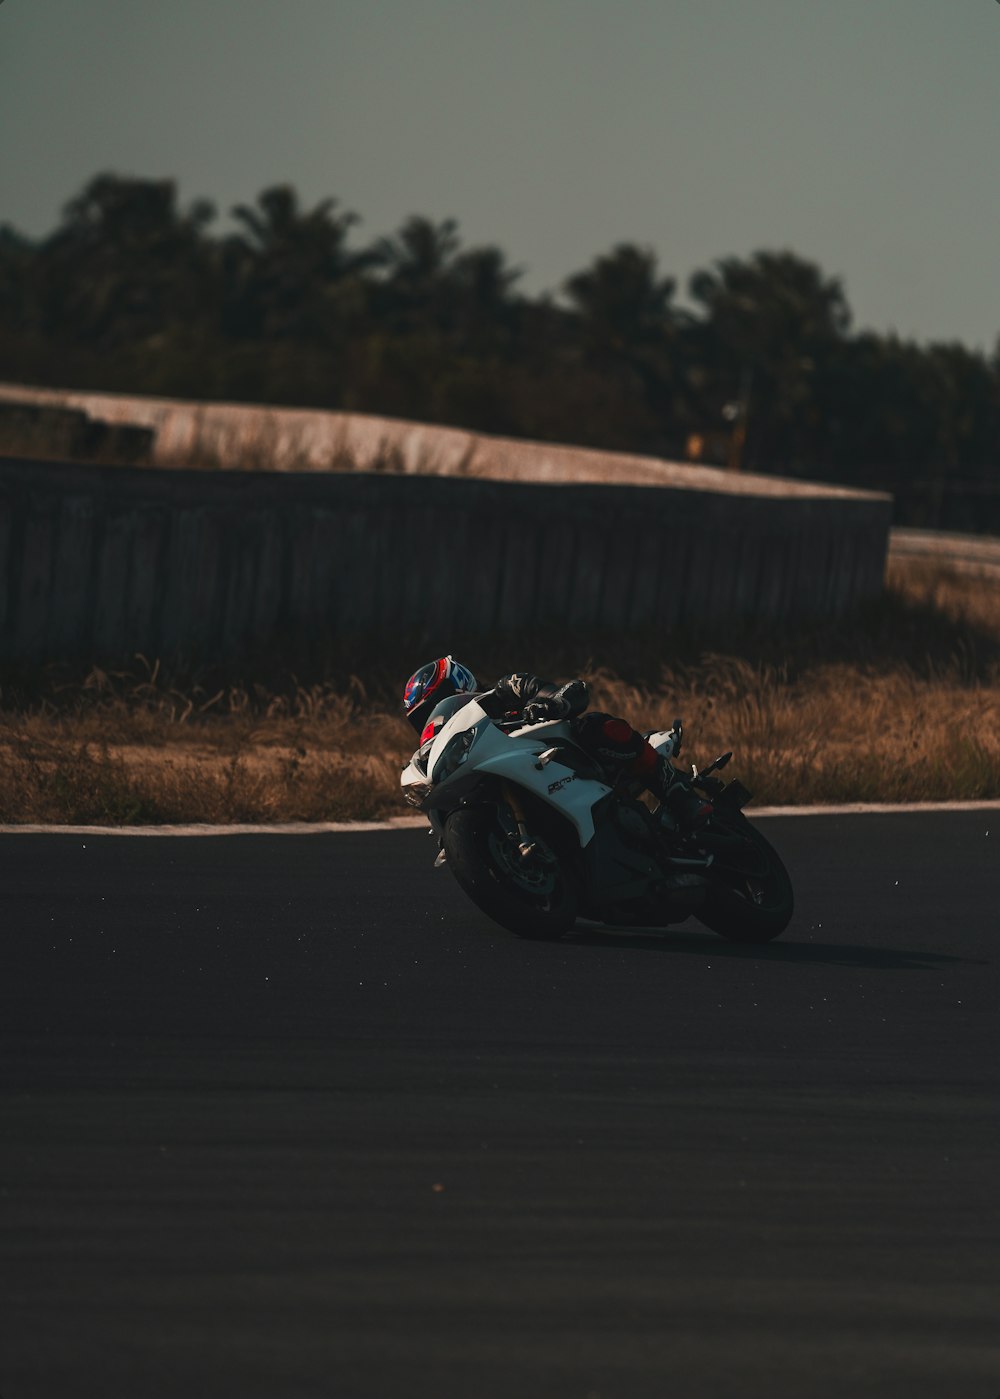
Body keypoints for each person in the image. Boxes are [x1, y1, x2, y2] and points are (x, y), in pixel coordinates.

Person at [402, 655, 708, 827]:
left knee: (596, 726)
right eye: (422, 717)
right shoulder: (446, 749)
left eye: (436, 704)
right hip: (514, 779)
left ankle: (680, 794)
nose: (433, 718)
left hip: (565, 758)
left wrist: (554, 703)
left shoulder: (505, 690)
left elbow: (570, 692)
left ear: (459, 685)